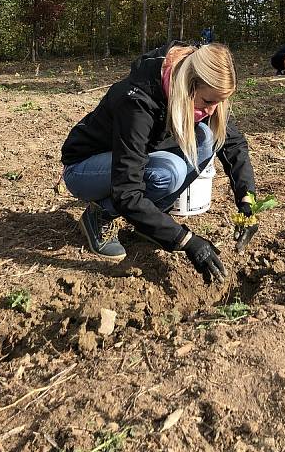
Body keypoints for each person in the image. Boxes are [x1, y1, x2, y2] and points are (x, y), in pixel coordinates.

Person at [61, 42, 257, 284]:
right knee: (166, 173)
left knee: (207, 138)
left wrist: (247, 200)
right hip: (85, 168)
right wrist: (185, 240)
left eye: (219, 103)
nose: (212, 110)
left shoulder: (200, 87)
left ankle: (149, 222)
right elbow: (127, 190)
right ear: (189, 86)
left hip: (131, 159)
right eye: (207, 101)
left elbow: (233, 144)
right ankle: (99, 216)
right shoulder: (138, 101)